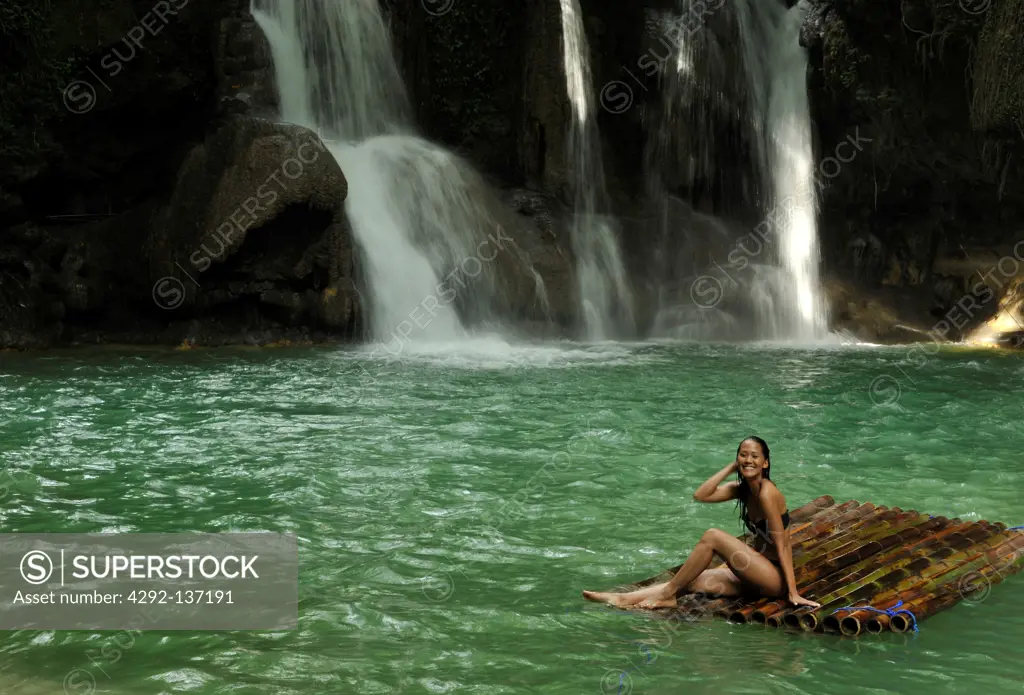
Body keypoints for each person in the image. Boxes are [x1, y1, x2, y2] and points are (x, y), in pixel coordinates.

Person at [582, 436, 821, 610]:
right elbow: (701, 495)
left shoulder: (767, 493)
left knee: (713, 535)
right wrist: (730, 467)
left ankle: (666, 595)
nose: (748, 460)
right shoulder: (743, 490)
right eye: (743, 455)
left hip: (772, 578)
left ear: (765, 463)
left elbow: (784, 545)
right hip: (753, 572)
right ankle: (621, 599)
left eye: (754, 456)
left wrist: (792, 592)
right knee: (693, 579)